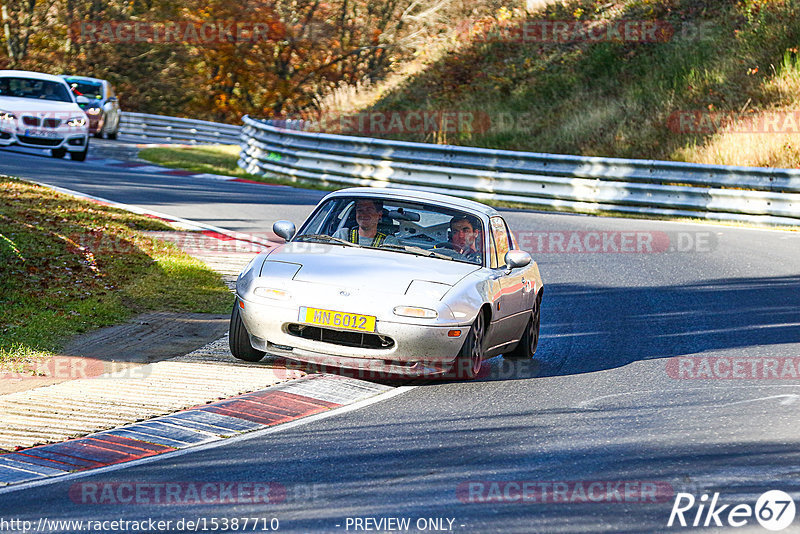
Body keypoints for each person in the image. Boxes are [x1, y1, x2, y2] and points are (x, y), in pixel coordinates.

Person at [333, 199, 399, 247]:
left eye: (369, 210)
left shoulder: (389, 242)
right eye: (360, 210)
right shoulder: (342, 235)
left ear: (379, 215)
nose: (363, 214)